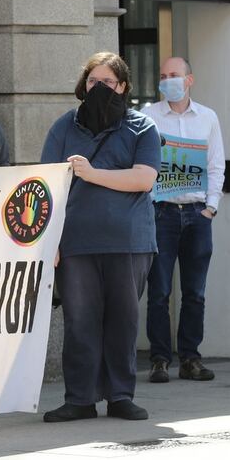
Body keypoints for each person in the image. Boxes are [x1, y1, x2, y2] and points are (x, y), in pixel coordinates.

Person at [39, 52, 159, 423]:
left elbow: (143, 178)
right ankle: (80, 398)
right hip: (76, 243)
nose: (99, 89)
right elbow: (47, 182)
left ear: (122, 86)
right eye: (93, 82)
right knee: (80, 321)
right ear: (83, 85)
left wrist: (91, 174)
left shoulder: (142, 128)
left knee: (122, 321)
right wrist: (50, 241)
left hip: (129, 241)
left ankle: (121, 395)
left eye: (107, 83)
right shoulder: (64, 127)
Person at [142, 56, 225, 383]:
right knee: (159, 291)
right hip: (161, 213)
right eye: (163, 76)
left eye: (174, 75)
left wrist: (211, 208)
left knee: (195, 292)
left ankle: (190, 358)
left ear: (189, 80)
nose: (167, 81)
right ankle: (160, 359)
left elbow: (216, 164)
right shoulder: (147, 117)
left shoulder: (208, 118)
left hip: (196, 213)